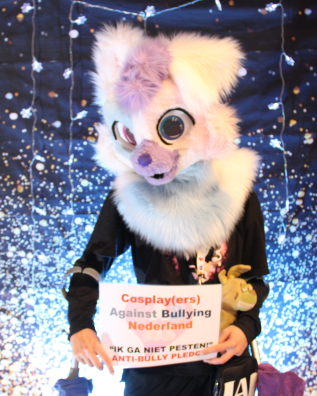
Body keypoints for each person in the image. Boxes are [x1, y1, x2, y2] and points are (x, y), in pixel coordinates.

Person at [65, 22, 269, 396]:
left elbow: (255, 276)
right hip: (152, 370)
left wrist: (246, 328)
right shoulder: (129, 195)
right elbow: (91, 262)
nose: (147, 155)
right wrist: (80, 324)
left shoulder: (238, 191)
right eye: (132, 135)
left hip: (223, 369)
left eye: (171, 126)